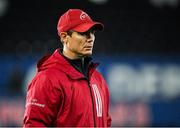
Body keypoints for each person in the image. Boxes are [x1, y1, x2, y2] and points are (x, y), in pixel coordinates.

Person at [23, 8, 111, 127]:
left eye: (92, 32)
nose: (90, 38)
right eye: (83, 33)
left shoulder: (98, 79)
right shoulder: (48, 79)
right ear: (64, 37)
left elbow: (106, 122)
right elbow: (34, 124)